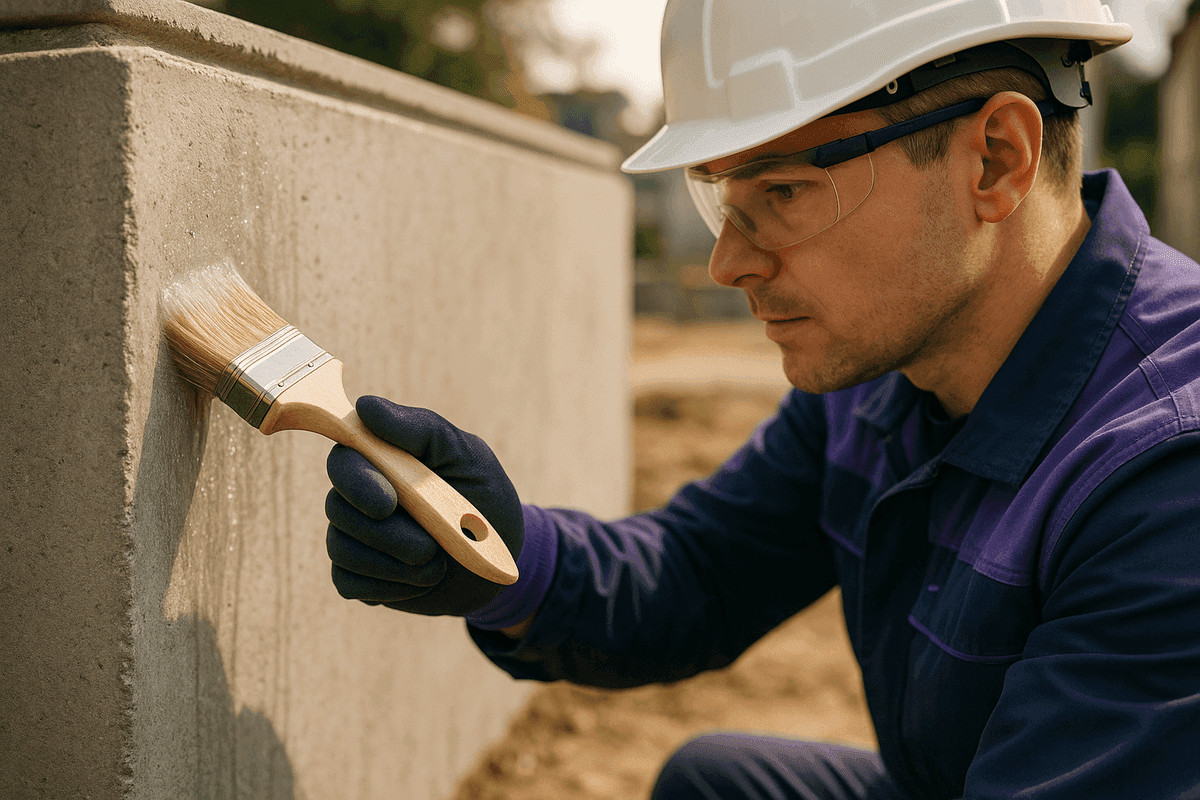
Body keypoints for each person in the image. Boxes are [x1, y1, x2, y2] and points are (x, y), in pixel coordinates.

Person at [322, 1, 1200, 797]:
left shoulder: (1164, 476)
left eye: (781, 191)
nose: (727, 263)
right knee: (718, 786)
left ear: (996, 158)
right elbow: (700, 572)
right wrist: (502, 557)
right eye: (722, 199)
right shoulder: (882, 381)